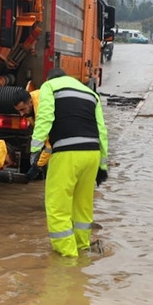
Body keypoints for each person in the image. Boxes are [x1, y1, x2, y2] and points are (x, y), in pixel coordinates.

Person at [30, 68, 108, 257]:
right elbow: (102, 131)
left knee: (58, 207)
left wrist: (34, 150)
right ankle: (83, 247)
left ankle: (68, 257)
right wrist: (102, 166)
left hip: (66, 154)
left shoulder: (49, 87)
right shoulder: (90, 93)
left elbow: (45, 118)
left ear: (50, 78)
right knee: (83, 206)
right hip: (92, 154)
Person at [11, 88, 50, 179]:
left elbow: (50, 144)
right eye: (19, 111)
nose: (21, 114)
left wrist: (38, 165)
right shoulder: (31, 104)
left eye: (23, 109)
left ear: (30, 102)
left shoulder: (43, 111)